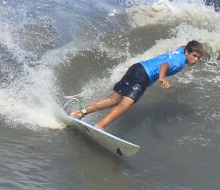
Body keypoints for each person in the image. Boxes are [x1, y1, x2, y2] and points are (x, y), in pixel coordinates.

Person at [70, 40, 204, 130]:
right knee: (126, 104)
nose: (196, 60)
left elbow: (183, 46)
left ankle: (79, 113)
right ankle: (101, 125)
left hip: (136, 68)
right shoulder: (179, 62)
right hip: (144, 76)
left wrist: (190, 47)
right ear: (187, 52)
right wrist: (162, 78)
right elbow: (165, 65)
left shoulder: (180, 50)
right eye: (194, 55)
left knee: (113, 100)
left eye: (198, 57)